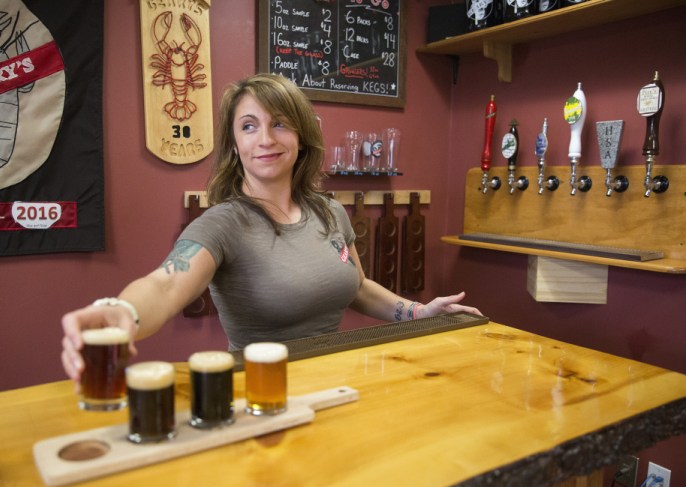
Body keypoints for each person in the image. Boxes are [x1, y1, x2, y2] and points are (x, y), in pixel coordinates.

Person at [61, 73, 481, 384]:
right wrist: (125, 313)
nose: (265, 139)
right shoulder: (225, 223)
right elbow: (165, 286)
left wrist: (418, 313)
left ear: (300, 136)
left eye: (279, 123)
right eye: (249, 126)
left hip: (332, 380)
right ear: (235, 144)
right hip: (259, 391)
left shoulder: (329, 212)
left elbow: (357, 286)